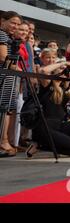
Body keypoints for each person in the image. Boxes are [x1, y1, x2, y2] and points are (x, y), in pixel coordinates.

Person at [26, 48, 70, 158]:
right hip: (45, 127)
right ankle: (44, 144)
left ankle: (41, 145)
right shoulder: (47, 83)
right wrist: (63, 62)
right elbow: (43, 71)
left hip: (60, 126)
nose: (64, 71)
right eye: (62, 69)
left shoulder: (64, 87)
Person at [0, 11, 22, 157]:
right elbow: (3, 57)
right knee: (4, 110)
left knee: (7, 110)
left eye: (18, 24)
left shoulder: (8, 37)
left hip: (8, 78)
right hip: (4, 78)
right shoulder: (1, 35)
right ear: (3, 21)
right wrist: (19, 69)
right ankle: (3, 141)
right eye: (13, 22)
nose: (16, 26)